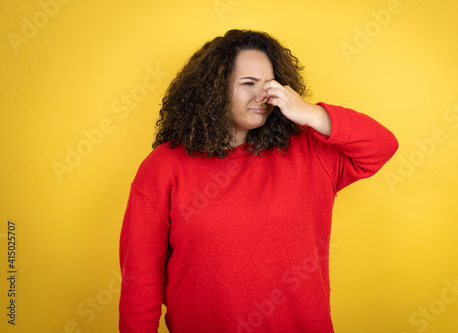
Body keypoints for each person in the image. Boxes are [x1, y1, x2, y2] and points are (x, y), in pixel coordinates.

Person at [119, 29, 398, 333]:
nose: (262, 95)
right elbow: (141, 280)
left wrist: (311, 114)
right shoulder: (164, 166)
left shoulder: (309, 151)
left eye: (270, 85)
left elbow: (381, 146)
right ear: (213, 89)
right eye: (248, 83)